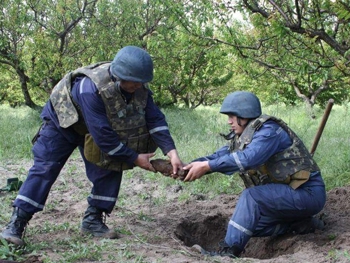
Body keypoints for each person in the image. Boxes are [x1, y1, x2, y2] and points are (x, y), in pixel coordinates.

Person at [1, 46, 183, 246]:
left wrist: (171, 153)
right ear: (120, 76)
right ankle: (16, 224)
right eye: (136, 82)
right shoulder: (90, 89)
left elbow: (155, 120)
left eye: (143, 82)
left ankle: (93, 220)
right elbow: (105, 138)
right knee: (45, 168)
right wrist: (135, 158)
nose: (140, 86)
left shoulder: (138, 89)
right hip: (62, 124)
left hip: (94, 127)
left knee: (111, 163)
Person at [183, 91, 326, 258]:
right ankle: (302, 224)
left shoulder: (268, 132)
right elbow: (218, 156)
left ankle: (228, 253)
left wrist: (207, 166)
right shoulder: (244, 136)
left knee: (251, 196)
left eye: (232, 116)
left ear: (244, 115)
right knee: (244, 225)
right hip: (289, 196)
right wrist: (188, 167)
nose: (229, 121)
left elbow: (247, 159)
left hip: (307, 193)